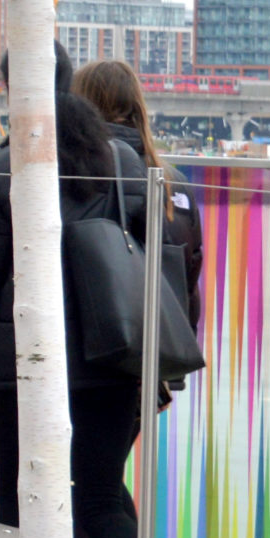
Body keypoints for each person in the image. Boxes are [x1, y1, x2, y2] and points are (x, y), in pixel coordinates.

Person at [0, 42, 153, 538]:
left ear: (9, 89)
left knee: (22, 502)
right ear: (67, 79)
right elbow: (154, 263)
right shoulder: (124, 162)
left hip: (27, 363)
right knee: (102, 498)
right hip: (116, 356)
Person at [72, 58, 205, 341]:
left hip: (91, 355)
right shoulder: (175, 184)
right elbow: (189, 284)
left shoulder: (73, 178)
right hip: (158, 351)